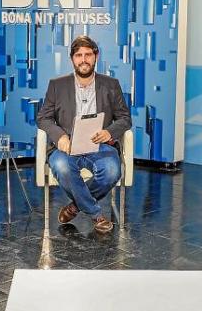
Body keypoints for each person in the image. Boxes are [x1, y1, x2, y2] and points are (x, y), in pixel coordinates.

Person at [37, 35, 132, 234]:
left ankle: (75, 207)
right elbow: (43, 118)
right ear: (72, 59)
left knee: (111, 171)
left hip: (100, 146)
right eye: (79, 55)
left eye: (88, 54)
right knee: (62, 167)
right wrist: (60, 137)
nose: (83, 59)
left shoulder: (111, 84)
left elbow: (125, 119)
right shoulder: (57, 85)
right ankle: (97, 215)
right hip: (67, 147)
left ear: (96, 56)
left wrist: (109, 132)